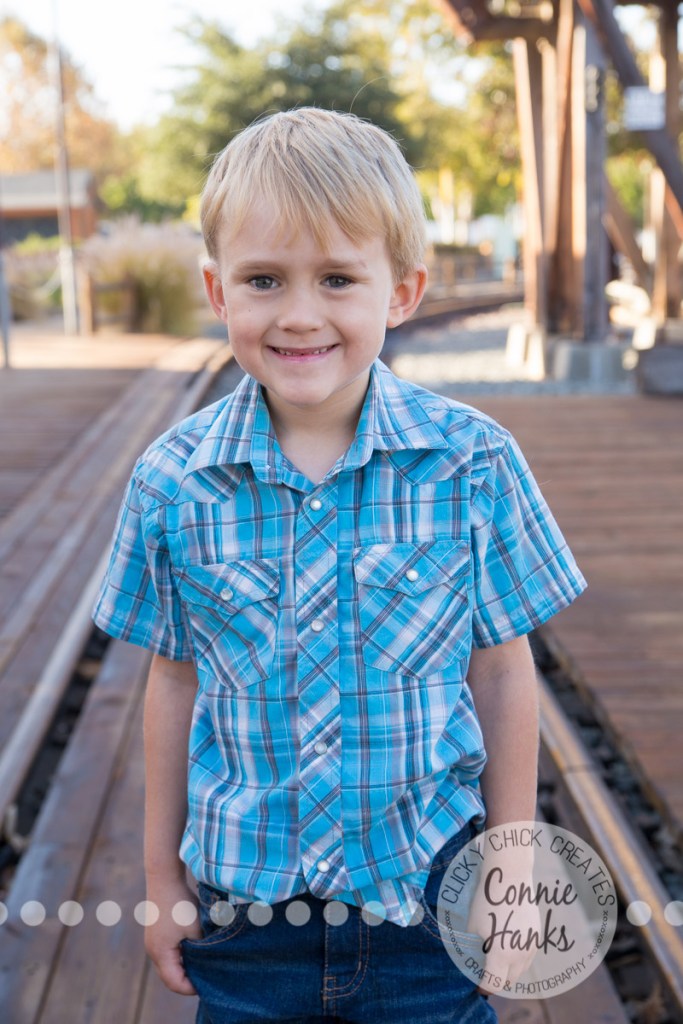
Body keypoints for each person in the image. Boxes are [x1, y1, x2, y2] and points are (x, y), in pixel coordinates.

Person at [93, 107, 586, 1023]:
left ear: (401, 292)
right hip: (246, 916)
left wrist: (511, 870)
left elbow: (501, 668)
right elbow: (172, 679)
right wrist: (160, 879)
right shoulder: (174, 480)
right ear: (217, 290)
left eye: (336, 279)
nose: (299, 314)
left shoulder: (472, 463)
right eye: (264, 280)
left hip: (426, 904)